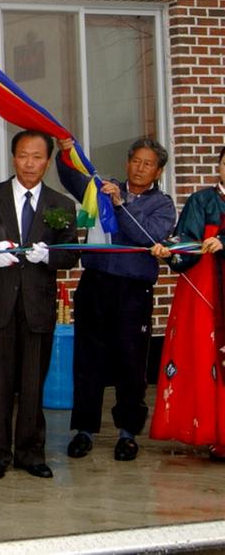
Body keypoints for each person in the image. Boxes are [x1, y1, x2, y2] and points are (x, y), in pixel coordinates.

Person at [0, 129, 78, 480]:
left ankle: (30, 453)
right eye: (23, 155)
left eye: (37, 157)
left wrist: (49, 256)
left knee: (33, 384)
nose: (29, 163)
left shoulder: (61, 204)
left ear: (47, 161)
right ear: (13, 157)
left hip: (37, 305)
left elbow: (71, 254)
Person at [57, 137, 175, 462]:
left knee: (131, 362)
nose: (139, 168)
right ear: (127, 162)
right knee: (87, 360)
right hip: (95, 283)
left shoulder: (162, 205)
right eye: (135, 161)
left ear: (158, 171)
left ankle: (128, 433)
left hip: (133, 291)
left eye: (147, 164)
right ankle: (84, 430)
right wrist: (65, 153)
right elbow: (71, 178)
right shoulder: (103, 188)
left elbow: (148, 236)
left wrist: (121, 205)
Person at [151, 145, 225, 459]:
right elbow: (186, 240)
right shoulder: (201, 200)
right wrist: (169, 249)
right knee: (205, 354)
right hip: (206, 286)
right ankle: (214, 432)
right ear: (219, 166)